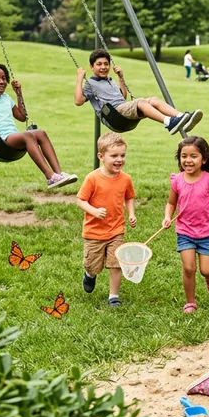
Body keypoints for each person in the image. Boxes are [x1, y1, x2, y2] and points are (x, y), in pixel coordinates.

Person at [0, 62, 77, 188]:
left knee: (41, 133)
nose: (1, 81)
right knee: (28, 136)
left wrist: (18, 93)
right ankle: (50, 177)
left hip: (13, 138)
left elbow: (22, 117)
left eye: (4, 78)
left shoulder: (6, 98)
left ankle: (59, 173)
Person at [162, 136, 209, 313]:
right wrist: (167, 217)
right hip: (185, 231)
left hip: (207, 233)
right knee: (188, 268)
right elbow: (171, 203)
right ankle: (191, 302)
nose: (188, 160)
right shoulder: (177, 180)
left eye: (193, 156)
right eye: (184, 156)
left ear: (204, 159)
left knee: (205, 270)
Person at [75, 49, 202, 135]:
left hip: (122, 110)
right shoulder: (90, 84)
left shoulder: (111, 80)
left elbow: (123, 96)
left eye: (106, 64)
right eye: (99, 64)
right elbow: (78, 101)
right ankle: (169, 123)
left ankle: (181, 117)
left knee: (154, 99)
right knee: (140, 102)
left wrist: (120, 78)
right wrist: (80, 77)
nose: (103, 67)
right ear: (92, 66)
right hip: (114, 117)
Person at [76, 132, 136, 307]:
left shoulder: (126, 179)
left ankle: (113, 296)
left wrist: (131, 213)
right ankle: (90, 274)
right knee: (93, 265)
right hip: (94, 232)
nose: (119, 160)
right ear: (101, 157)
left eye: (123, 155)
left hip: (116, 230)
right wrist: (94, 211)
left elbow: (129, 197)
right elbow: (80, 200)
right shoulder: (92, 178)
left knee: (116, 264)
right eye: (114, 156)